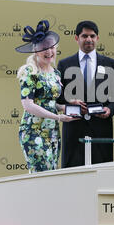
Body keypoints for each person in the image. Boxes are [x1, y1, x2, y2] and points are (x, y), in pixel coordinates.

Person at [15, 20, 78, 173]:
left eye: (51, 47)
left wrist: (67, 107)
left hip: (53, 132)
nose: (49, 51)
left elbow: (50, 103)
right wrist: (58, 117)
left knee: (51, 175)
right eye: (44, 48)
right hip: (34, 131)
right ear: (36, 51)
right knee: (40, 176)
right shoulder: (29, 72)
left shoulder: (56, 73)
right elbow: (28, 105)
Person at [57, 20, 114, 168]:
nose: (89, 39)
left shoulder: (110, 63)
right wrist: (70, 103)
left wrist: (110, 109)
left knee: (102, 174)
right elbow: (58, 98)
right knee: (72, 176)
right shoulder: (64, 64)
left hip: (101, 130)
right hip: (73, 130)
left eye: (92, 36)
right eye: (84, 36)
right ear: (76, 38)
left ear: (97, 38)